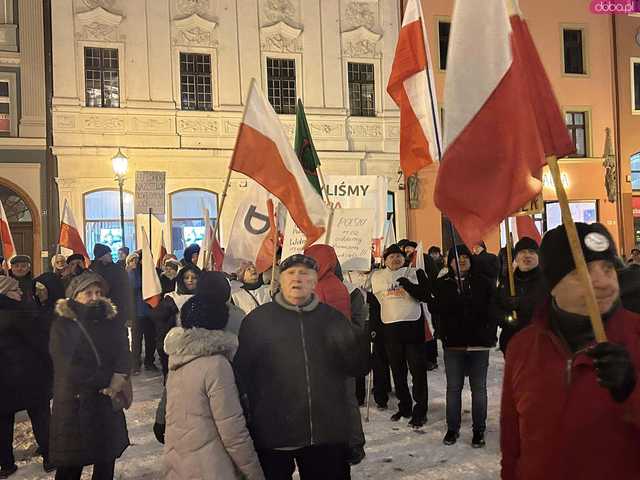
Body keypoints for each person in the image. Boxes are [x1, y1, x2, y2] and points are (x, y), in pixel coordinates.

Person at [501, 223, 640, 479]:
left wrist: (631, 392)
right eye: (582, 272)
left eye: (608, 269)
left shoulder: (636, 335)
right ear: (553, 285)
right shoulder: (522, 347)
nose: (602, 282)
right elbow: (512, 444)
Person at [234, 254, 368, 479]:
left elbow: (351, 375)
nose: (297, 279)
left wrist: (358, 345)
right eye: (290, 273)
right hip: (274, 435)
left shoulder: (332, 319)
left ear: (315, 282)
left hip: (324, 435)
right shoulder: (258, 321)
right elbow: (242, 378)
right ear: (279, 280)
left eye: (304, 274)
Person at [163, 273, 265, 480]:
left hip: (180, 463)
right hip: (212, 466)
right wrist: (254, 472)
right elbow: (232, 429)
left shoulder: (178, 359)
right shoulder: (216, 365)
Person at [49, 272, 130, 480]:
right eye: (88, 293)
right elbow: (67, 366)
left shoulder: (110, 319)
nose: (95, 297)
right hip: (75, 403)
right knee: (72, 462)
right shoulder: (63, 325)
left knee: (105, 459)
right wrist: (107, 381)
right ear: (75, 296)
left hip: (105, 402)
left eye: (98, 292)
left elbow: (123, 350)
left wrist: (120, 375)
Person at [304, 245, 368, 467]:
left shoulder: (307, 289)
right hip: (345, 352)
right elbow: (359, 324)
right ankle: (355, 445)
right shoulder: (349, 289)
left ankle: (327, 445)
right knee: (348, 401)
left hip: (316, 355)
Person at [430, 244, 496, 448]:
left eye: (465, 257)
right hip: (454, 345)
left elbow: (492, 311)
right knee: (453, 389)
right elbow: (436, 311)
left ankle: (479, 430)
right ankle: (453, 428)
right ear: (450, 262)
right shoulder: (443, 284)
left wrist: (489, 335)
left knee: (479, 390)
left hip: (479, 344)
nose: (461, 261)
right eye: (456, 258)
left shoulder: (483, 282)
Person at [0, 277, 54, 478]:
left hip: (3, 381)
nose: (20, 293)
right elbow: (40, 340)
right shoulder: (20, 312)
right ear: (6, 292)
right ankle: (50, 457)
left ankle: (6, 464)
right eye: (15, 290)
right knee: (40, 417)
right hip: (29, 375)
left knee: (3, 422)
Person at [371, 244, 430, 428]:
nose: (395, 259)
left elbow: (425, 295)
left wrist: (409, 286)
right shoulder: (378, 277)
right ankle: (404, 406)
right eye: (391, 256)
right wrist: (373, 329)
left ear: (404, 258)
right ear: (385, 260)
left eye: (398, 256)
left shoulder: (415, 272)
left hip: (412, 328)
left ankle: (420, 410)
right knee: (398, 371)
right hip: (390, 329)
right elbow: (374, 303)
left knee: (417, 371)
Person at [491, 237, 546, 355]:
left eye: (532, 252)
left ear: (538, 257)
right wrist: (507, 317)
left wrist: (522, 303)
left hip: (540, 345)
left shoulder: (547, 282)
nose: (527, 256)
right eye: (523, 252)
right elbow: (495, 307)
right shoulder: (507, 282)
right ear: (516, 257)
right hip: (512, 344)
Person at [150, 264, 201, 378]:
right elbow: (159, 320)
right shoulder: (172, 298)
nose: (190, 281)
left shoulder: (204, 297)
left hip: (199, 345)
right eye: (186, 278)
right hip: (177, 347)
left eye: (194, 277)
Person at [89, 243, 133, 331]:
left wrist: (129, 314)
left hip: (117, 311)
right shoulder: (91, 270)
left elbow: (126, 292)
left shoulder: (118, 269)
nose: (110, 255)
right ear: (101, 256)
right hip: (97, 313)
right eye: (108, 253)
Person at [126, 252, 158, 374]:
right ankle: (135, 364)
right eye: (133, 260)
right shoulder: (129, 274)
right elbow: (134, 285)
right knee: (136, 340)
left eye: (137, 260)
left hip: (149, 311)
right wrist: (133, 271)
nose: (136, 262)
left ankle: (149, 362)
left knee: (150, 339)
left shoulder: (148, 273)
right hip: (136, 312)